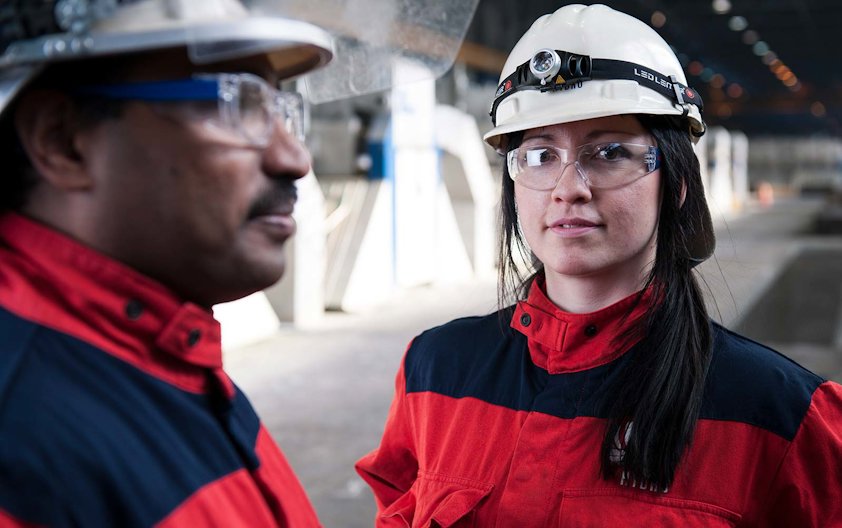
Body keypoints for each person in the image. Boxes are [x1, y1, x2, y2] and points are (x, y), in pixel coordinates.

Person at [356, 4, 842, 527]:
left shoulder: (782, 414)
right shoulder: (436, 372)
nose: (569, 189)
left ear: (675, 184)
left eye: (609, 152)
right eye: (540, 155)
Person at [0, 0, 333, 525]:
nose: (293, 159)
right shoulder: (23, 436)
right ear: (61, 143)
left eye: (279, 111)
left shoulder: (164, 358)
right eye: (236, 103)